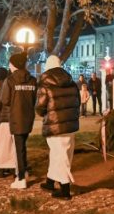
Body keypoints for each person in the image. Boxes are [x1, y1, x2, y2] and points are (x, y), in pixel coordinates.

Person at [34, 55, 80, 199]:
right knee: (61, 154)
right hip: (70, 124)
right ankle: (50, 181)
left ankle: (65, 189)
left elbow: (40, 107)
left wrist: (45, 114)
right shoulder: (71, 82)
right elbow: (77, 102)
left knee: (59, 156)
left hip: (55, 125)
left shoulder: (45, 84)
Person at [0, 52, 37, 189]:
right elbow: (34, 99)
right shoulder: (32, 80)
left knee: (18, 149)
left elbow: (5, 100)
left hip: (16, 118)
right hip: (28, 118)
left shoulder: (10, 80)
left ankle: (20, 179)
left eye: (10, 63)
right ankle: (24, 172)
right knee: (23, 147)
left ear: (14, 65)